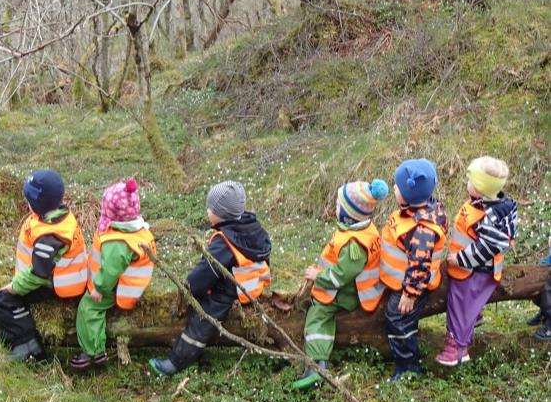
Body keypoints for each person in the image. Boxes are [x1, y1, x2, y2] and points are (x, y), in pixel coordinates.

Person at [148, 181, 271, 376]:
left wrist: (190, 289)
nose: (207, 211)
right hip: (253, 285)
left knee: (203, 319)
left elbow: (206, 272)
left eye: (211, 208)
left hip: (233, 292)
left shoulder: (225, 242)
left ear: (221, 214)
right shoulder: (251, 227)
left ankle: (176, 361)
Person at [292, 179, 389, 390]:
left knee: (318, 312)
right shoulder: (364, 229)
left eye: (338, 205)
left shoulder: (354, 244)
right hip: (354, 286)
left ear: (348, 213)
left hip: (350, 291)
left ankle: (317, 364)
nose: (335, 208)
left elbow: (341, 276)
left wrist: (318, 276)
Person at [0, 170, 88, 361]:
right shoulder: (57, 216)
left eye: (28, 200)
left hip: (54, 283)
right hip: (56, 274)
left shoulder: (50, 238)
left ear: (37, 204)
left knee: (3, 301)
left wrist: (14, 287)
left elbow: (38, 274)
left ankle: (28, 348)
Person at [435, 157, 517, 365]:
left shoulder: (487, 215)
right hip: (475, 268)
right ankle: (474, 316)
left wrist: (461, 259)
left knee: (459, 304)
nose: (466, 183)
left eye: (470, 181)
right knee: (468, 303)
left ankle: (457, 348)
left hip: (475, 271)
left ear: (479, 189)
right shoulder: (488, 204)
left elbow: (488, 247)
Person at [70, 179, 156, 369]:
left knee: (89, 308)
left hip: (117, 286)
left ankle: (93, 352)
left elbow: (110, 271)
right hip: (131, 280)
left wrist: (99, 289)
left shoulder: (117, 243)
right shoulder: (136, 229)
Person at [381, 159, 448, 382]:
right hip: (398, 279)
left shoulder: (422, 230)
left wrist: (410, 293)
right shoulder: (416, 209)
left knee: (398, 318)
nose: (393, 188)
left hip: (410, 285)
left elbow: (420, 265)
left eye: (397, 187)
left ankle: (408, 366)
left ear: (407, 195)